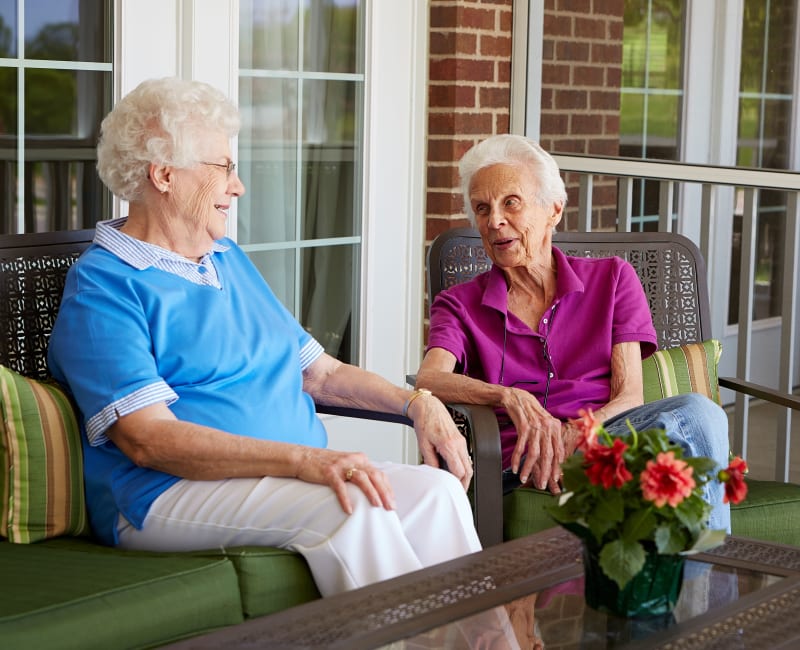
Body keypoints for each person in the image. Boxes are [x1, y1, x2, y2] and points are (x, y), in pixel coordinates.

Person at [46, 77, 482, 598]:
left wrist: (417, 402)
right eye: (223, 168)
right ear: (164, 175)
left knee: (436, 492)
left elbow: (320, 372)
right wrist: (304, 461)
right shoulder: (103, 287)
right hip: (161, 494)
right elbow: (147, 440)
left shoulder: (227, 260)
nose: (238, 185)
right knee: (353, 505)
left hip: (275, 478)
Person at [415, 134, 731, 532]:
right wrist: (508, 395)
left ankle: (711, 577)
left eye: (510, 202)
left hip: (604, 441)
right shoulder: (459, 303)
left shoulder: (613, 278)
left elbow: (630, 395)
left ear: (554, 210)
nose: (494, 220)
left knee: (700, 415)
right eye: (482, 208)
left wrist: (574, 435)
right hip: (516, 460)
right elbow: (430, 378)